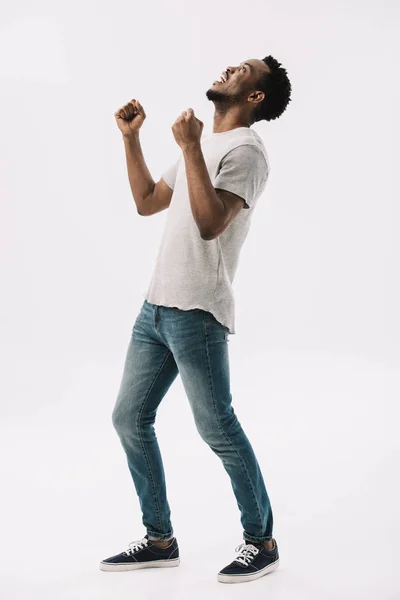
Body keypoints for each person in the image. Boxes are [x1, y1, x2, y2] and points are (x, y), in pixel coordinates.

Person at [100, 55, 292, 584]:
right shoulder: (204, 145)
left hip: (198, 311)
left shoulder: (247, 150)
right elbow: (146, 202)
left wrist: (187, 147)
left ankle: (263, 541)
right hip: (156, 307)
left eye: (245, 69)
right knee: (128, 418)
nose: (231, 67)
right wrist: (131, 139)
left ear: (255, 97)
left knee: (218, 427)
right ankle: (159, 539)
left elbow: (210, 225)